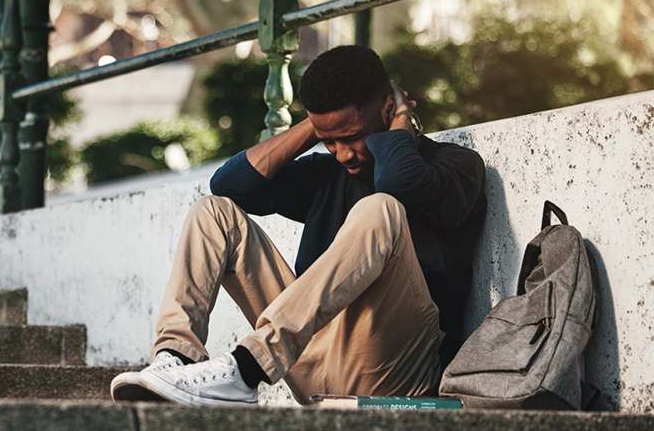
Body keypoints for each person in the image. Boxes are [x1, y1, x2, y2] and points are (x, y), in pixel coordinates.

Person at [111, 45, 487, 407]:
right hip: (307, 359)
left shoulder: (456, 166)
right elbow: (230, 185)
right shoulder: (328, 174)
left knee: (381, 209)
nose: (343, 154)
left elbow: (398, 185)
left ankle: (246, 368)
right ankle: (176, 358)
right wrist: (318, 124)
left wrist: (402, 118)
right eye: (330, 142)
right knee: (213, 212)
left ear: (388, 109)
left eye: (353, 137)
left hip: (397, 369)